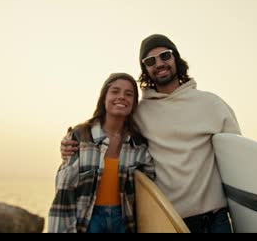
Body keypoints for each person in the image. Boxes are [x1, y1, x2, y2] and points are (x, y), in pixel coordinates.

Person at [60, 34, 241, 233]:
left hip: (215, 220)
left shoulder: (211, 104)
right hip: (165, 222)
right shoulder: (140, 112)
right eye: (150, 61)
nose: (159, 64)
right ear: (145, 69)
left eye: (165, 56)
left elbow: (237, 157)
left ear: (176, 59)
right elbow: (106, 130)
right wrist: (70, 143)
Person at [48, 72, 155, 233]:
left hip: (124, 221)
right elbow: (65, 189)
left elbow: (148, 193)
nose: (121, 97)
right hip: (88, 220)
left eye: (128, 94)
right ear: (104, 98)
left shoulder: (139, 145)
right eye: (115, 91)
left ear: (133, 103)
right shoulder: (81, 136)